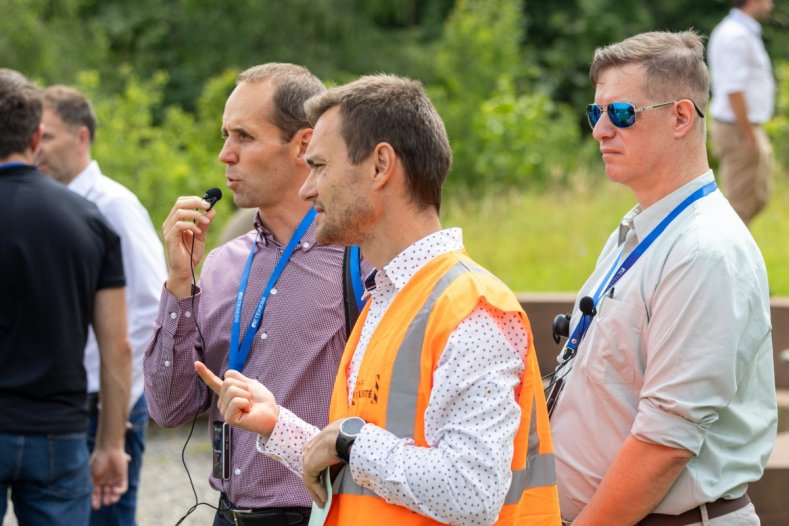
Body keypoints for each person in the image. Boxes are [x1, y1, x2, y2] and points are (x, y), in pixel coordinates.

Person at [196, 74, 562, 526]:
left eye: (321, 167)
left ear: (380, 165)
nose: (307, 189)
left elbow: (470, 493)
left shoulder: (472, 307)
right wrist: (280, 427)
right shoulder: (387, 297)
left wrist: (349, 440)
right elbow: (366, 471)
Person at [547, 31, 776, 525]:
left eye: (622, 113)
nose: (600, 131)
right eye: (596, 113)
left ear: (680, 117)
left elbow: (664, 443)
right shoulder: (643, 228)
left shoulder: (704, 251)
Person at [144, 63, 370, 526]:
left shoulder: (361, 260)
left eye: (244, 137)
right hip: (229, 513)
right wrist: (179, 284)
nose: (225, 154)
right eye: (225, 136)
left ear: (304, 145)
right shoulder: (224, 264)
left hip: (323, 511)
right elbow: (169, 409)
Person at [0, 69, 132, 524]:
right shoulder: (89, 220)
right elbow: (117, 345)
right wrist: (112, 445)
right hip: (59, 433)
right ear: (36, 136)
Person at [36, 84, 167, 526]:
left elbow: (151, 308)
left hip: (106, 406)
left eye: (47, 136)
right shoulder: (54, 205)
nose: (37, 147)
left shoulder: (113, 206)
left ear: (82, 137)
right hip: (68, 403)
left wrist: (123, 405)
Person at [708, 0, 776, 225]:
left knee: (756, 197)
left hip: (743, 126)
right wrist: (747, 132)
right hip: (738, 127)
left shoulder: (740, 32)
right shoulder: (734, 35)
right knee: (738, 207)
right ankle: (724, 257)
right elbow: (733, 89)